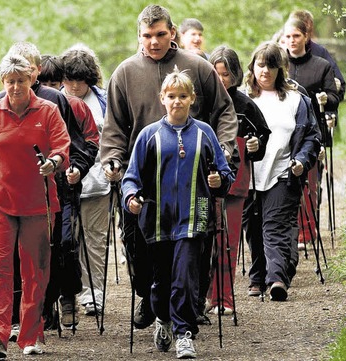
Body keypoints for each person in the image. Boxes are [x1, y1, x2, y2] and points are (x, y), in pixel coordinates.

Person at [100, 4, 238, 330]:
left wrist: (223, 153)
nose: (154, 42)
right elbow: (114, 126)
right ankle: (151, 297)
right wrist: (112, 160)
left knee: (196, 247)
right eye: (147, 36)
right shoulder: (125, 73)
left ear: (172, 33)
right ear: (139, 36)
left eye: (160, 34)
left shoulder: (197, 67)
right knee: (137, 243)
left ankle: (189, 306)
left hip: (192, 173)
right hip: (143, 176)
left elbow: (224, 113)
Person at [121, 68, 234, 359]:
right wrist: (131, 197)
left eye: (183, 96)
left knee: (185, 278)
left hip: (194, 217)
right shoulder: (149, 135)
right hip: (157, 220)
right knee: (160, 283)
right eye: (171, 96)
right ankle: (163, 319)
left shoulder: (205, 133)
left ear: (192, 99)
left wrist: (219, 180)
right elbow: (131, 177)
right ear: (162, 99)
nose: (177, 102)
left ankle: (185, 334)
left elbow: (224, 173)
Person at [0, 41, 96, 336]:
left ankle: (52, 307)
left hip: (53, 191)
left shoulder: (56, 102)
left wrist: (73, 167)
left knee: (56, 249)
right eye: (14, 68)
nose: (20, 75)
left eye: (28, 68)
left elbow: (71, 142)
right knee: (11, 257)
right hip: (8, 196)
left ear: (36, 70)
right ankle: (13, 320)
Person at [0, 54, 71, 357]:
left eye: (21, 81)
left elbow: (62, 149)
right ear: (3, 82)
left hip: (38, 204)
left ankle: (30, 335)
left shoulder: (48, 112)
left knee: (35, 270)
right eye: (10, 81)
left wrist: (53, 163)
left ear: (31, 80)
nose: (15, 87)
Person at [243, 41, 320, 301]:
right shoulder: (243, 99)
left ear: (280, 69)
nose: (264, 71)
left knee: (274, 227)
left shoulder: (296, 100)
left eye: (271, 66)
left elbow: (311, 136)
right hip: (248, 176)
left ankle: (277, 279)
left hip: (282, 173)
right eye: (260, 65)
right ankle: (258, 276)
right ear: (252, 67)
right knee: (253, 229)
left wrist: (300, 161)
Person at [206, 45, 271, 314]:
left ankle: (225, 298)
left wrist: (256, 145)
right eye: (216, 73)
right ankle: (207, 296)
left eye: (225, 74)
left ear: (234, 74)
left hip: (236, 184)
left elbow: (263, 136)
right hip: (204, 183)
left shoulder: (245, 105)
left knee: (228, 240)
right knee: (206, 241)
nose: (221, 79)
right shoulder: (200, 102)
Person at [58, 44, 109, 320]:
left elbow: (110, 138)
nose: (75, 86)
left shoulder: (103, 101)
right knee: (68, 240)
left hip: (97, 182)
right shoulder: (54, 100)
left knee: (95, 240)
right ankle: (69, 294)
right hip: (64, 185)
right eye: (70, 79)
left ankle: (94, 294)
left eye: (81, 80)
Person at [284, 18, 340, 251]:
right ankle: (287, 231)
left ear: (306, 37)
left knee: (309, 182)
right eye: (287, 37)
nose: (292, 41)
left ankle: (307, 232)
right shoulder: (279, 64)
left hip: (312, 132)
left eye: (296, 36)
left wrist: (326, 100)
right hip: (284, 131)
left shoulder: (321, 65)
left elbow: (334, 96)